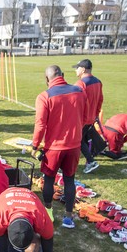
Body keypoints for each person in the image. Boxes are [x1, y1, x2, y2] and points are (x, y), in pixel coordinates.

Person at [32, 65, 87, 228]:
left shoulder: (44, 96)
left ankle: (48, 213)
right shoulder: (79, 91)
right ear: (62, 75)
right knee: (70, 180)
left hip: (54, 147)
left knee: (49, 179)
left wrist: (35, 146)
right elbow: (84, 118)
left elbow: (40, 125)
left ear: (47, 79)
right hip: (74, 145)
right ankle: (68, 217)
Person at [73, 59, 103, 174]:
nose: (76, 70)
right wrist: (95, 114)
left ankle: (91, 161)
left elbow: (76, 104)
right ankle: (89, 160)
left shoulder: (80, 84)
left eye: (77, 68)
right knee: (81, 140)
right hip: (91, 118)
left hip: (82, 119)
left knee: (77, 140)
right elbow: (100, 100)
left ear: (83, 69)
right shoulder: (98, 82)